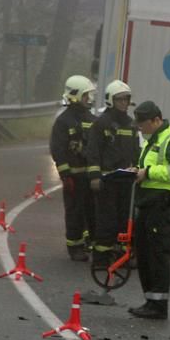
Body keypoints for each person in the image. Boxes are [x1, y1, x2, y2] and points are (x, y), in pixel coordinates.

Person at [129, 100, 170, 319]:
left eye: (143, 124)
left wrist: (148, 172)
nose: (140, 128)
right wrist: (137, 171)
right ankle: (150, 301)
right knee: (144, 254)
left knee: (156, 254)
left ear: (156, 120)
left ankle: (159, 305)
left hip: (161, 204)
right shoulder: (151, 139)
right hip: (147, 203)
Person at [86, 80, 139, 269]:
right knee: (106, 220)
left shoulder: (131, 124)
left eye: (126, 99)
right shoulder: (102, 123)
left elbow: (135, 151)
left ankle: (120, 256)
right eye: (119, 99)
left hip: (125, 179)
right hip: (107, 180)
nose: (124, 102)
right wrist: (94, 176)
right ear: (110, 100)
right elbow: (93, 152)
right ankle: (100, 259)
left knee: (125, 219)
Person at [49, 75, 97, 261]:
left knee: (91, 210)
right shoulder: (63, 122)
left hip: (90, 176)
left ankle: (89, 242)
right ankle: (74, 247)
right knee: (74, 212)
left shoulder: (92, 119)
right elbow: (58, 150)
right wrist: (65, 175)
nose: (89, 100)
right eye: (86, 96)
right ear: (75, 96)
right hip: (74, 178)